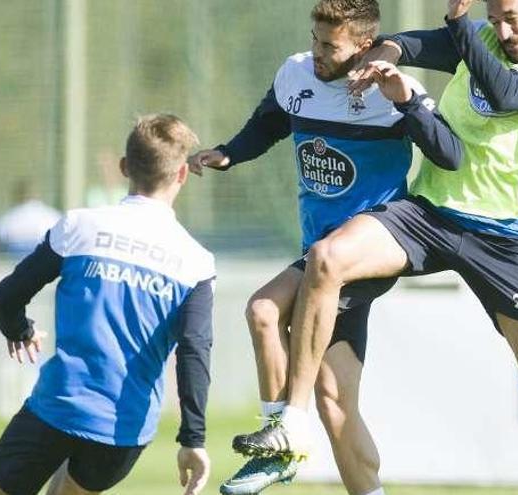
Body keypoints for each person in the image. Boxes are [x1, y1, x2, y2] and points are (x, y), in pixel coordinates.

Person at [234, 0, 518, 494]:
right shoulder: (480, 39)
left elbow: (506, 93)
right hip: (430, 214)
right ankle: (293, 422)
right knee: (326, 259)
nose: (500, 30)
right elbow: (410, 43)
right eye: (493, 18)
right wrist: (386, 55)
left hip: (505, 239)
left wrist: (459, 30)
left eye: (510, 18)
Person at [189, 1, 461, 493]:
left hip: (369, 246)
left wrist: (405, 101)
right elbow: (268, 122)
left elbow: (448, 152)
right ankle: (315, 458)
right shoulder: (296, 74)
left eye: (329, 45)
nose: (317, 52)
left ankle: (283, 435)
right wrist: (229, 152)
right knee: (335, 401)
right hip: (320, 254)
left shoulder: (391, 88)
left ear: (363, 44)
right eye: (315, 39)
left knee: (263, 310)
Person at [0, 114, 215, 495]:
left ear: (124, 167)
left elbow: (8, 295)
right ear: (182, 174)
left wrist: (18, 329)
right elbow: (194, 351)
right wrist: (193, 438)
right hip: (124, 428)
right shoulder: (196, 262)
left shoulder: (79, 227)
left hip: (58, 406)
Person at [0, 180, 61, 256]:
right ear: (38, 194)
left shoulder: (7, 219)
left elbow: (1, 237)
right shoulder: (53, 216)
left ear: (17, 195)